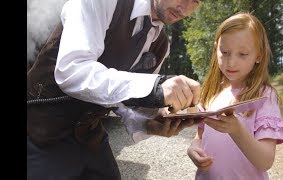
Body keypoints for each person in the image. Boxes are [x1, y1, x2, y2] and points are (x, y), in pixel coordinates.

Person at [27, 0, 204, 179]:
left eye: (196, 1)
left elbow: (125, 101)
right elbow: (72, 71)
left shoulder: (161, 45)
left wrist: (150, 121)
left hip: (90, 134)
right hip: (39, 133)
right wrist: (152, 87)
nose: (185, 8)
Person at [186, 12, 283, 180]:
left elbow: (266, 161)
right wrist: (193, 148)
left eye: (243, 54)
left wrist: (236, 130)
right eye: (224, 52)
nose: (231, 62)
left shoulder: (264, 97)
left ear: (259, 55)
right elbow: (200, 135)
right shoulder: (211, 92)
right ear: (216, 47)